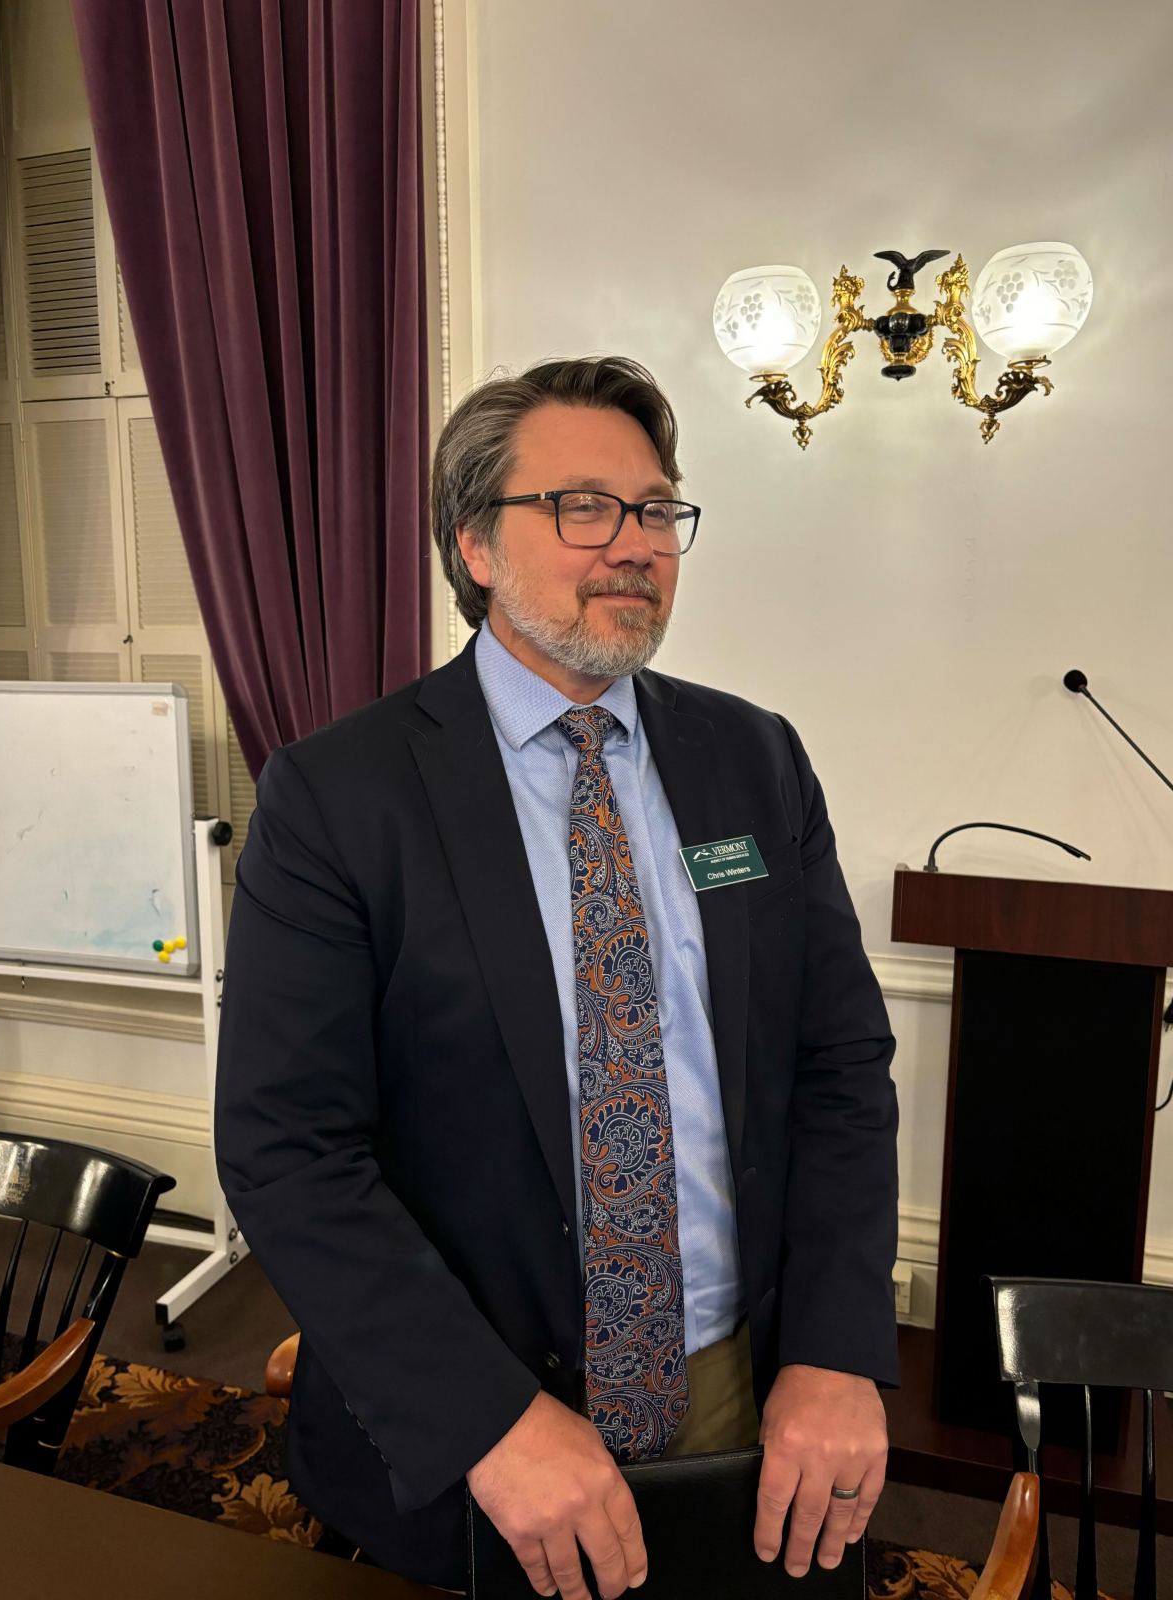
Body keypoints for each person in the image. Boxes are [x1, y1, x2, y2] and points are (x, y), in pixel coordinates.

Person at [214, 356, 899, 1597]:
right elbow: (288, 1146)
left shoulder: (754, 759)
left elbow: (839, 1064)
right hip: (477, 1427)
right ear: (476, 543)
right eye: (584, 506)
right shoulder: (338, 797)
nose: (634, 543)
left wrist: (841, 1348)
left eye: (656, 509)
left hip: (743, 1392)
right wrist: (485, 1417)